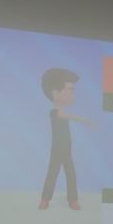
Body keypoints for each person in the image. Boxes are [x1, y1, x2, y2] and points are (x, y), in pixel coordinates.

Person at [39, 68, 95, 211]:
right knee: (53, 173)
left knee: (70, 173)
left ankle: (72, 200)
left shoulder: (61, 112)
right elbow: (64, 116)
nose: (72, 94)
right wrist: (83, 119)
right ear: (55, 93)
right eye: (69, 90)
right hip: (57, 149)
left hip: (67, 149)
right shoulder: (55, 112)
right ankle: (45, 199)